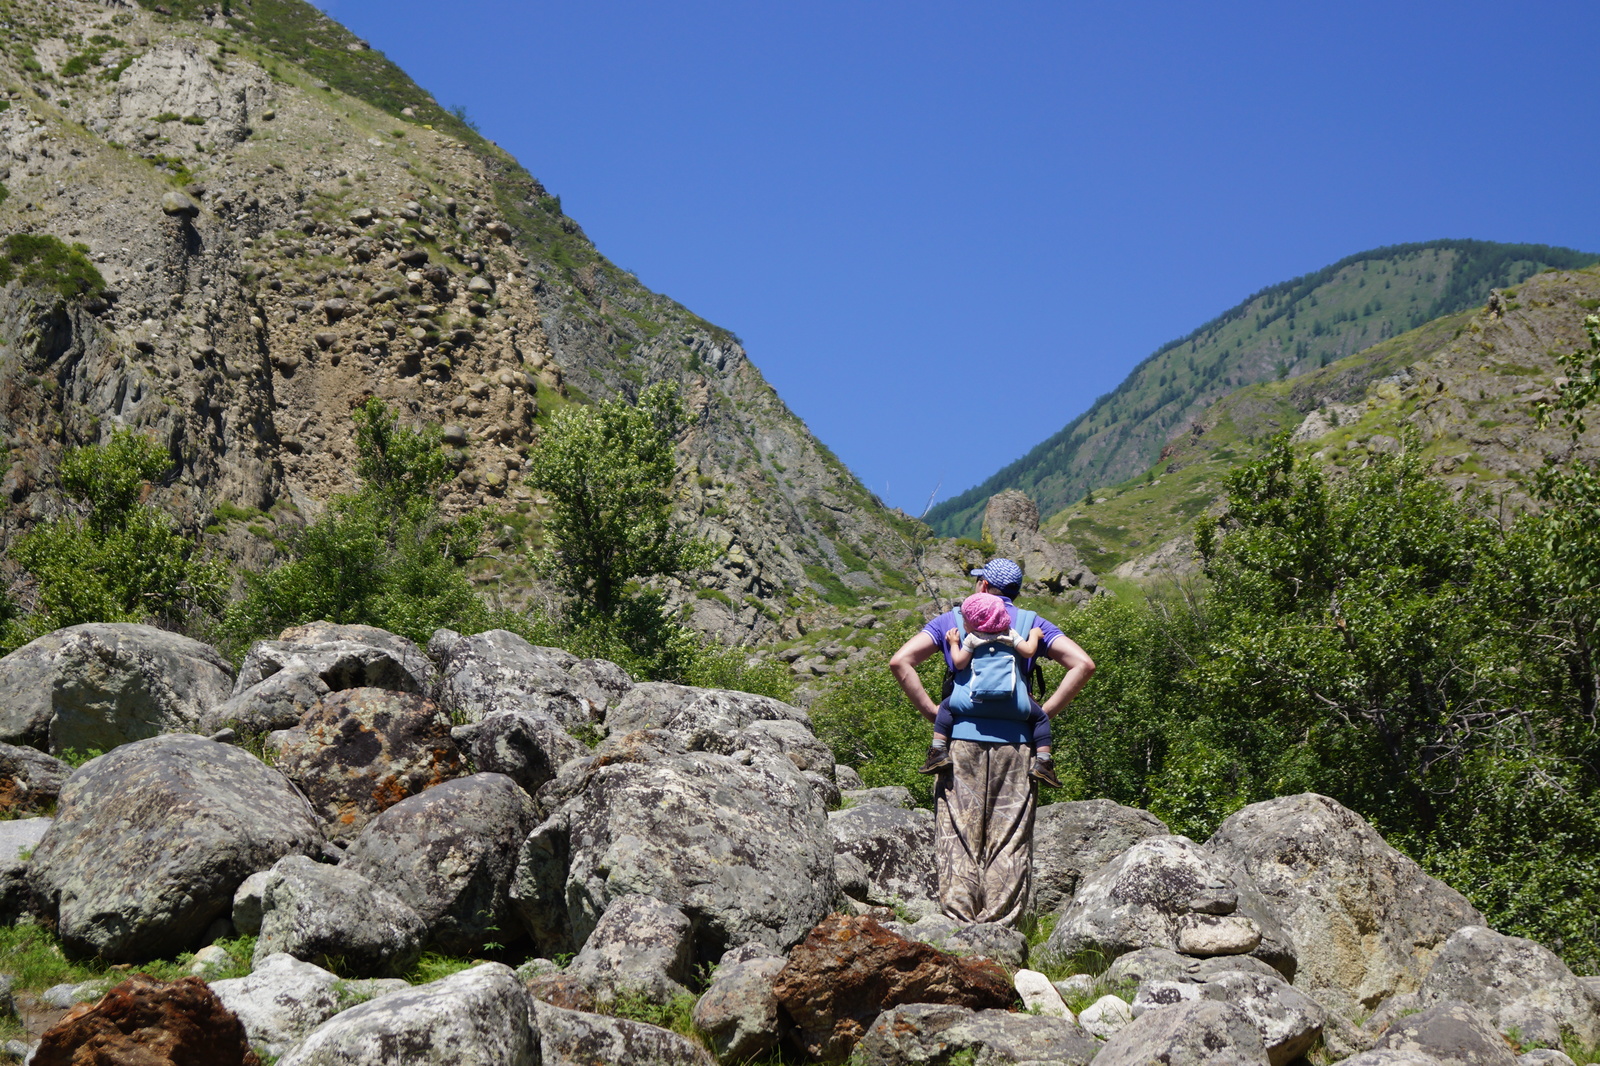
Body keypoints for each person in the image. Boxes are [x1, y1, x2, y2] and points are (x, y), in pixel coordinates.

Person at [889, 558, 1095, 927]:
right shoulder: (1033, 625)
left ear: (983, 586)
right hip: (1018, 747)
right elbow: (1083, 664)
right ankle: (1000, 938)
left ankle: (958, 930)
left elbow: (901, 662)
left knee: (958, 834)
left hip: (959, 745)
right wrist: (1039, 714)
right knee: (1009, 838)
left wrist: (935, 713)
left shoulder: (954, 621)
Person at [921, 591, 1055, 785]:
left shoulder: (973, 638)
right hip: (1012, 701)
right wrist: (1034, 634)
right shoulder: (1010, 634)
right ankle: (1044, 762)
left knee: (945, 708)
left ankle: (938, 751)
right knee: (1040, 717)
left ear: (974, 622)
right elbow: (1028, 652)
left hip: (975, 699)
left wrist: (952, 643)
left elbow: (958, 663)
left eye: (965, 619)